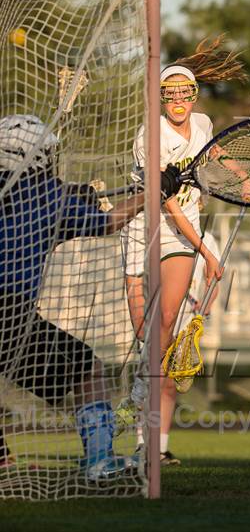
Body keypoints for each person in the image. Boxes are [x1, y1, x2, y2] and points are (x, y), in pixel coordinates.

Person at [0, 114, 181, 479]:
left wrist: (73, 193)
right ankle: (99, 460)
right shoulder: (46, 195)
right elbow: (110, 222)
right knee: (87, 368)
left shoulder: (34, 193)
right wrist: (153, 192)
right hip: (10, 309)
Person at [120, 36, 250, 465]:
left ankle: (156, 448)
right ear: (160, 98)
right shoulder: (151, 135)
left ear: (194, 96)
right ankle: (141, 415)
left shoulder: (202, 123)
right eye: (170, 94)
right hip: (147, 224)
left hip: (185, 226)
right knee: (150, 338)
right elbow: (167, 203)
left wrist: (243, 176)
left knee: (166, 338)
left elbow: (210, 151)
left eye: (185, 93)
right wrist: (210, 255)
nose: (178, 100)